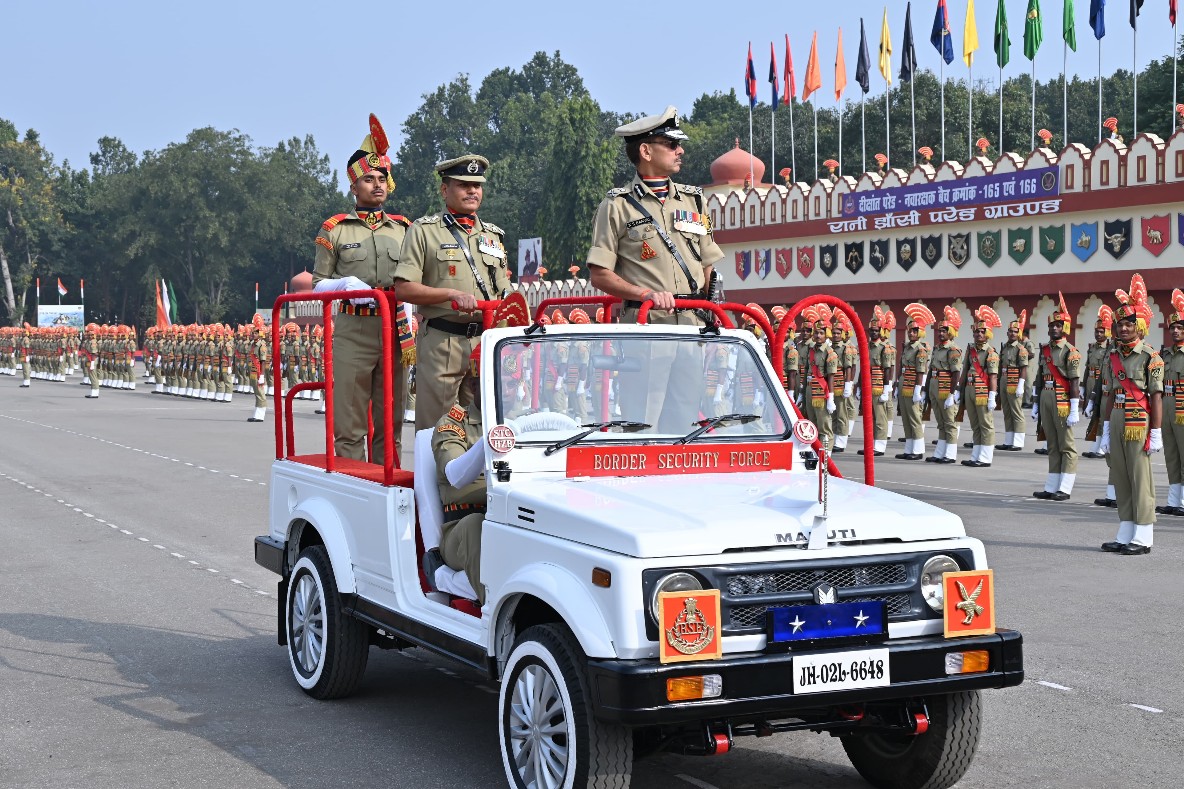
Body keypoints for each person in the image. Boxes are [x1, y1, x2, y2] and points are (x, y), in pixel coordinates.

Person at [585, 105, 724, 432]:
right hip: (647, 325)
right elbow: (600, 273)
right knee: (643, 419)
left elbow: (707, 262)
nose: (681, 150)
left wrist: (708, 306)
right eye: (672, 145)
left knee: (686, 418)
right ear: (646, 151)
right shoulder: (616, 206)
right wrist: (645, 294)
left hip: (691, 323)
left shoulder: (695, 202)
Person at [312, 115, 412, 462]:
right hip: (354, 329)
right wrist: (343, 284)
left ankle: (389, 489)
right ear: (354, 187)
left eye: (382, 178)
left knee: (392, 422)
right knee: (350, 423)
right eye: (368, 179)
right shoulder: (335, 229)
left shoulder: (404, 229)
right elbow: (316, 284)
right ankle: (353, 486)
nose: (377, 185)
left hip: (394, 329)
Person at [394, 154, 511, 433]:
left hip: (484, 342)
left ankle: (476, 479)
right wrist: (449, 294)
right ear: (445, 190)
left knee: (483, 427)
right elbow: (404, 287)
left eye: (477, 185)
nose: (473, 191)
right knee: (437, 428)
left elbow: (504, 288)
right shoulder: (424, 231)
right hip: (442, 341)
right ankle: (435, 478)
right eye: (464, 184)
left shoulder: (493, 236)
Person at [1098, 274, 1163, 555]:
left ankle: (1144, 535)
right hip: (1117, 418)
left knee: (1140, 477)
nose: (1123, 329)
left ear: (1140, 327)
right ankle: (1126, 530)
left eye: (1129, 324)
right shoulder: (1113, 355)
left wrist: (1157, 431)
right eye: (1120, 324)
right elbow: (1110, 394)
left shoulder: (1150, 356)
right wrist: (1104, 429)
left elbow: (1156, 397)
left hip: (1139, 421)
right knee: (1120, 476)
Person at [1032, 294, 1081, 501]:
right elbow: (1039, 377)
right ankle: (1051, 486)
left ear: (1065, 328)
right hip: (1045, 398)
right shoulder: (1044, 350)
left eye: (1058, 325)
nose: (1054, 328)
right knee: (1051, 444)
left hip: (1062, 400)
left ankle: (1065, 487)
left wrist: (1074, 407)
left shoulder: (1071, 352)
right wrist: (1035, 403)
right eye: (1052, 325)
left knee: (1066, 445)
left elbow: (1075, 381)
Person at [961, 306, 1001, 467]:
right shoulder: (970, 349)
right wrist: (959, 390)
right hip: (969, 389)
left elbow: (993, 376)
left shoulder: (991, 352)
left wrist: (992, 396)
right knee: (974, 424)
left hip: (983, 391)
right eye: (977, 332)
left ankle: (985, 457)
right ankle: (976, 454)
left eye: (982, 332)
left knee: (985, 424)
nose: (979, 334)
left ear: (988, 334)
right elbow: (964, 370)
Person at [1156, 289, 1184, 517]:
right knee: (1172, 456)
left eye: (1179, 328)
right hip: (1167, 408)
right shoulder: (1164, 355)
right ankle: (1175, 501)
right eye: (1172, 328)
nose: (1175, 331)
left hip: (1183, 410)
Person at [896, 303, 934, 460]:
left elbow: (921, 370)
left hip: (913, 386)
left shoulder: (921, 349)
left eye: (915, 330)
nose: (911, 333)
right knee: (905, 418)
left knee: (914, 418)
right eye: (910, 330)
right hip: (904, 385)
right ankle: (909, 448)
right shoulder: (907, 347)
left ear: (921, 333)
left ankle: (918, 450)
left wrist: (919, 390)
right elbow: (901, 367)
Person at [926, 306, 963, 464]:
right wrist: (925, 390)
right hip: (935, 386)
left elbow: (956, 373)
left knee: (950, 422)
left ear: (950, 332)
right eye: (939, 330)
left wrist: (952, 394)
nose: (940, 333)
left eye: (944, 331)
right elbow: (930, 370)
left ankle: (950, 454)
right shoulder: (936, 348)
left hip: (945, 387)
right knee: (940, 422)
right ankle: (940, 452)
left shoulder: (953, 350)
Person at [860, 306, 896, 457]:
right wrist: (858, 387)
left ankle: (880, 446)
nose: (873, 333)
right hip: (868, 386)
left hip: (878, 386)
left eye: (876, 330)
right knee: (870, 417)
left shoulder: (884, 348)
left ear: (880, 331)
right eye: (871, 330)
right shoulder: (866, 347)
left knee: (880, 417)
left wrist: (886, 389)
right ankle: (871, 444)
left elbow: (887, 369)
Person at [801, 306, 838, 449]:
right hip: (811, 391)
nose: (818, 336)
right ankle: (815, 453)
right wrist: (802, 393)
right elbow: (806, 372)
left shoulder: (830, 353)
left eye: (821, 333)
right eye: (816, 333)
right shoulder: (811, 350)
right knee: (812, 425)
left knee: (824, 428)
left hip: (822, 393)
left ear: (826, 334)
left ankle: (826, 457)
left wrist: (831, 398)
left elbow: (831, 377)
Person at [1081, 306, 1114, 458]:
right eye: (1097, 331)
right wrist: (1083, 386)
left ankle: (1101, 447)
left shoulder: (1110, 348)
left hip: (1103, 383)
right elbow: (1088, 368)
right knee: (1095, 414)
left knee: (1101, 414)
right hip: (1091, 382)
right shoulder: (1092, 348)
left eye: (1102, 331)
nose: (1099, 334)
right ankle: (1096, 444)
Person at [995, 312, 1031, 452]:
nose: (1012, 334)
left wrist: (1021, 384)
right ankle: (1008, 440)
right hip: (1004, 380)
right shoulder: (1004, 347)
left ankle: (1018, 442)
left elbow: (1023, 367)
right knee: (1007, 412)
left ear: (1019, 333)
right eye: (1010, 331)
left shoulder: (1021, 349)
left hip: (1014, 381)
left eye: (1015, 332)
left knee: (1016, 412)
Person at [829, 311, 858, 452]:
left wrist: (848, 384)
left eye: (838, 333)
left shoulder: (845, 348)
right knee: (833, 414)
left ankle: (841, 441)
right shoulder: (830, 347)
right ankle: (835, 438)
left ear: (843, 334)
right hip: (831, 384)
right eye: (833, 333)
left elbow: (849, 367)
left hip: (841, 383)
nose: (835, 335)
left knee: (841, 414)